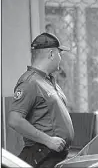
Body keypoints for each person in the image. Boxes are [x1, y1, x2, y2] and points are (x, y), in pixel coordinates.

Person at [8, 32, 74, 168]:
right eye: (59, 53)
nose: (61, 58)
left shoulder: (47, 80)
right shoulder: (30, 82)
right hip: (42, 155)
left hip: (55, 156)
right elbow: (14, 120)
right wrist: (49, 140)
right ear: (51, 54)